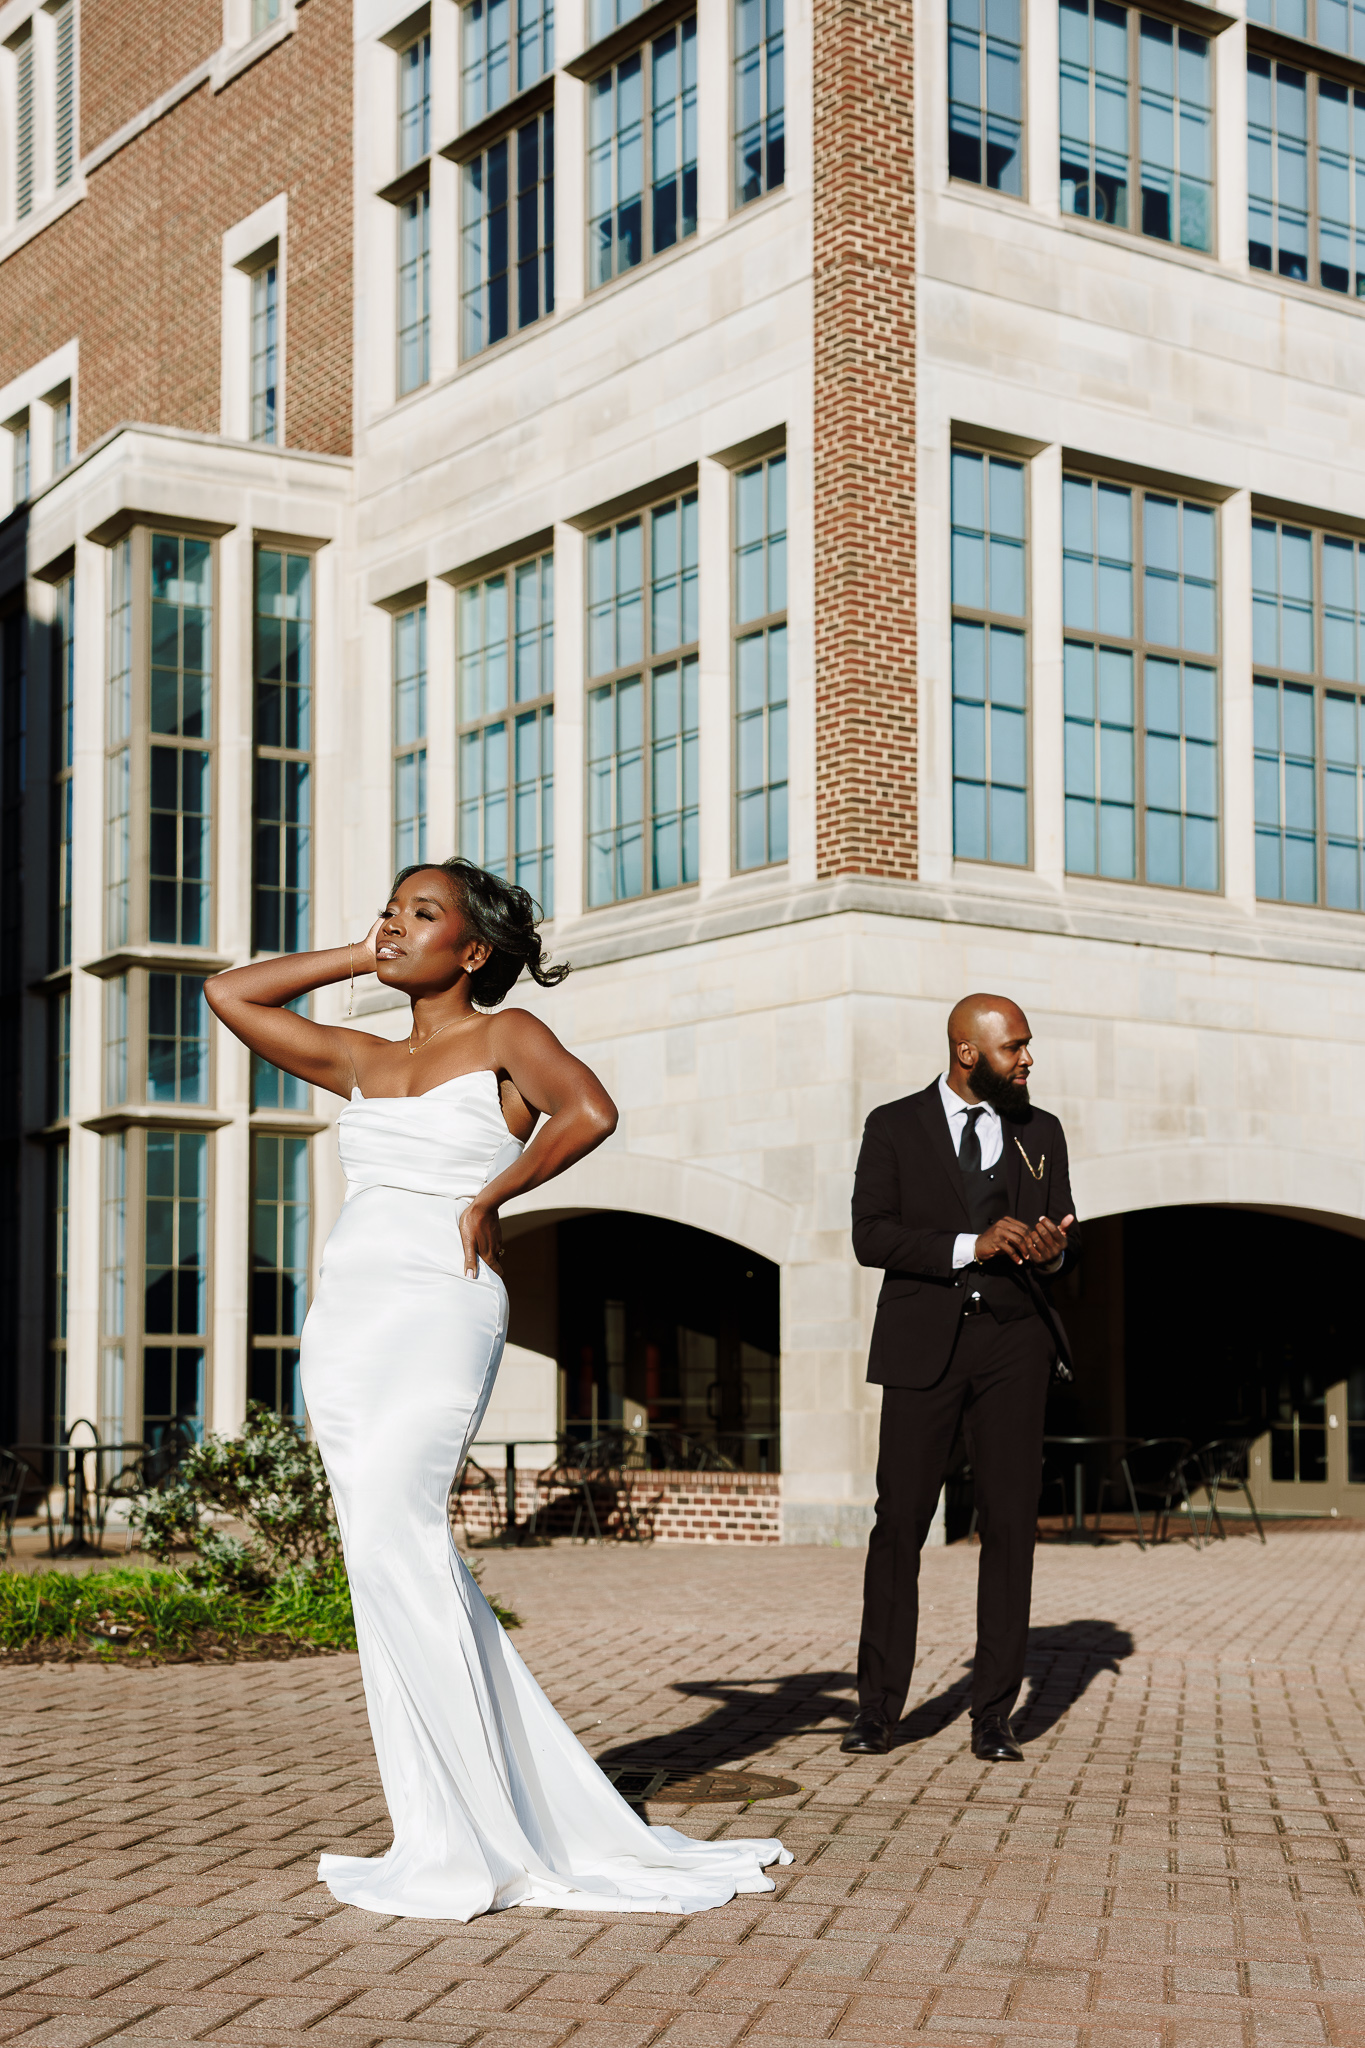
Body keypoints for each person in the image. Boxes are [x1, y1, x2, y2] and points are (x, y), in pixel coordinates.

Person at [206, 858, 789, 1920]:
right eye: (389, 906)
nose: (394, 922)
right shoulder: (361, 1055)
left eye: (419, 914)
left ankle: (494, 1825)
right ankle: (447, 1819)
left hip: (444, 1298)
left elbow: (591, 1111)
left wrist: (494, 1193)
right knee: (380, 1557)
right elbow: (230, 994)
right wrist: (361, 952)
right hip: (348, 1318)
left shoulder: (507, 1035)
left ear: (472, 950)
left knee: (402, 1533)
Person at [841, 994, 1081, 1763]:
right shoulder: (893, 1125)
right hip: (922, 1348)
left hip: (1015, 1346)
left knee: (1009, 1529)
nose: (1027, 1059)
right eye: (1014, 1046)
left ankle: (993, 1717)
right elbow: (869, 1236)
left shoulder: (1040, 1131)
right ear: (967, 1052)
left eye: (1027, 1045)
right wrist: (966, 1244)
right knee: (898, 1528)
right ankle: (877, 1711)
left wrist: (1049, 1252)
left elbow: (1064, 1240)